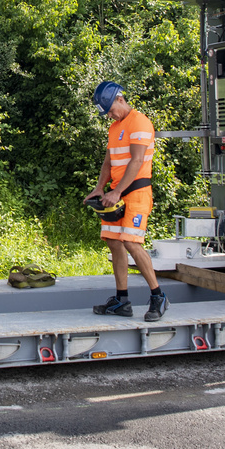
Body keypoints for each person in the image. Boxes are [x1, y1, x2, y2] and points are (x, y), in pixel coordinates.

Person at [87, 81, 169, 322]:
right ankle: (122, 301)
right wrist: (99, 188)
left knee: (132, 243)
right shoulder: (115, 128)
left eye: (111, 110)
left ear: (120, 99)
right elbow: (108, 162)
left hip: (136, 192)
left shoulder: (140, 122)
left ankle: (158, 297)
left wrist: (117, 191)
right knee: (114, 242)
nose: (110, 115)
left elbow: (136, 161)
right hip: (115, 194)